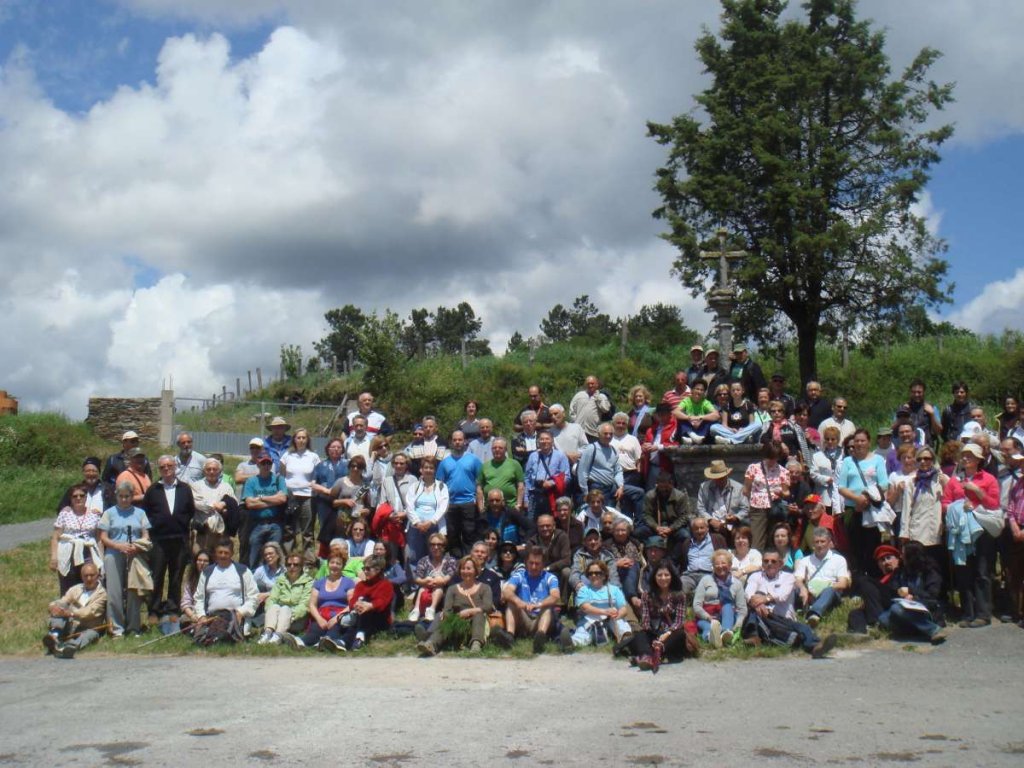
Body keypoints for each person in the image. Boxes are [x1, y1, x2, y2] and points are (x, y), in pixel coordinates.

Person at [945, 442, 1002, 627]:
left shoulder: (989, 479)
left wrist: (977, 493)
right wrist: (957, 508)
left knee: (982, 571)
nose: (965, 458)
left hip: (981, 530)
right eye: (963, 455)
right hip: (961, 532)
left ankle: (983, 614)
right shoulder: (954, 481)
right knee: (963, 571)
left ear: (979, 460)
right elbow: (945, 503)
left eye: (970, 456)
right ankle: (967, 613)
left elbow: (994, 504)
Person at [742, 548, 837, 658]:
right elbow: (748, 593)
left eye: (773, 561)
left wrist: (763, 599)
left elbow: (782, 595)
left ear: (780, 564)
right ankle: (753, 636)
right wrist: (758, 604)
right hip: (764, 616)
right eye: (766, 561)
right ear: (762, 563)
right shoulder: (755, 576)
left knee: (804, 628)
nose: (769, 564)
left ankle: (816, 647)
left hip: (784, 618)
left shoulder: (788, 577)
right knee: (754, 612)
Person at [847, 544, 948, 643]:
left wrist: (912, 594)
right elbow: (893, 592)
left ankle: (933, 630)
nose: (901, 556)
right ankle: (860, 636)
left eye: (903, 554)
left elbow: (933, 597)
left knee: (896, 609)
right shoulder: (901, 573)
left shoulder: (930, 572)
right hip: (903, 611)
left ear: (912, 556)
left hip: (925, 610)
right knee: (881, 617)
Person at [142, 455, 196, 618]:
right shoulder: (153, 490)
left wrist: (181, 523)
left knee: (176, 575)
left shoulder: (184, 488)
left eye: (169, 466)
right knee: (157, 575)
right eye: (162, 467)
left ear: (175, 467)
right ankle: (154, 610)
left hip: (179, 539)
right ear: (159, 469)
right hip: (159, 540)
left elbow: (190, 510)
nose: (166, 469)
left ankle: (173, 608)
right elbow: (146, 513)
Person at [98, 481, 151, 638]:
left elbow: (146, 535)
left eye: (127, 496)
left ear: (132, 496)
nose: (124, 499)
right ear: (116, 496)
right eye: (121, 496)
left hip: (134, 554)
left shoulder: (140, 513)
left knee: (133, 590)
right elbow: (103, 537)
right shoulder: (109, 513)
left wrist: (137, 546)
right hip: (114, 553)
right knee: (114, 591)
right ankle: (116, 627)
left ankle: (133, 626)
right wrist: (117, 546)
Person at [837, 428, 891, 574]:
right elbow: (841, 487)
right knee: (855, 546)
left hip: (872, 508)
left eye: (862, 441)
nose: (859, 444)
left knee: (873, 545)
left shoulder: (878, 460)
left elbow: (884, 484)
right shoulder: (847, 461)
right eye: (857, 441)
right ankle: (858, 577)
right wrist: (857, 499)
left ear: (868, 442)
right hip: (853, 509)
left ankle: (874, 576)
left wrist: (867, 498)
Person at [417, 555, 495, 655]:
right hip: (457, 623)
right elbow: (447, 610)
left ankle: (476, 644)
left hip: (477, 625)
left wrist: (469, 611)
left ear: (476, 570)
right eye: (463, 568)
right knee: (445, 619)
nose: (465, 571)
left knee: (479, 614)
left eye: (469, 568)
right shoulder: (452, 589)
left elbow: (488, 606)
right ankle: (430, 644)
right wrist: (455, 617)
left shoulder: (485, 588)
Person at [192, 539, 259, 645]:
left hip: (235, 616)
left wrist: (241, 612)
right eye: (220, 552)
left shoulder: (243, 571)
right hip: (211, 617)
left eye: (226, 553)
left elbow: (254, 596)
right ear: (215, 553)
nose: (223, 555)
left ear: (232, 553)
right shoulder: (207, 573)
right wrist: (201, 616)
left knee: (221, 633)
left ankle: (219, 637)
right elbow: (199, 598)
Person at [628, 561, 693, 671]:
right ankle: (649, 656)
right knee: (639, 634)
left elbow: (679, 622)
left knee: (680, 634)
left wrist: (666, 634)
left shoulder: (680, 595)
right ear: (654, 577)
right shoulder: (647, 595)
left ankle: (652, 654)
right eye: (659, 575)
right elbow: (645, 622)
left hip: (671, 633)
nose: (663, 578)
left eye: (666, 575)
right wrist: (654, 637)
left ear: (672, 576)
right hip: (654, 632)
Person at [285, 554, 355, 651]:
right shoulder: (319, 582)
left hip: (340, 615)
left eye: (338, 563)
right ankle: (301, 642)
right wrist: (319, 619)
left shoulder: (348, 582)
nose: (334, 565)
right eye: (332, 562)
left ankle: (326, 643)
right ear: (328, 564)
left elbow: (351, 604)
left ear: (342, 567)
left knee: (334, 629)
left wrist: (336, 618)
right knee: (315, 630)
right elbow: (312, 604)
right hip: (322, 614)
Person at [502, 546, 562, 653]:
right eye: (531, 563)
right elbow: (507, 592)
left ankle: (540, 637)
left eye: (537, 564)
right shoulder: (519, 576)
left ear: (543, 564)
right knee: (511, 603)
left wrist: (539, 604)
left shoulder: (550, 577)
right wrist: (519, 602)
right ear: (526, 562)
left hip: (540, 618)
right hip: (524, 617)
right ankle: (509, 636)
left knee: (547, 607)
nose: (534, 567)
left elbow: (555, 596)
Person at [42, 562, 107, 659]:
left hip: (88, 627)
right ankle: (54, 636)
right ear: (82, 577)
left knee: (91, 635)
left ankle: (69, 648)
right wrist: (53, 606)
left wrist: (70, 613)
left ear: (98, 576)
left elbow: (89, 612)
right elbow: (64, 601)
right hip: (71, 624)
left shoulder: (102, 594)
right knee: (60, 609)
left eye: (92, 575)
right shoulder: (76, 589)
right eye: (86, 576)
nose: (89, 578)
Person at [566, 559, 631, 651]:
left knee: (620, 622)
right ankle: (571, 643)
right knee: (583, 633)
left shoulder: (614, 590)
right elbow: (585, 607)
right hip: (591, 622)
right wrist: (605, 612)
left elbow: (623, 609)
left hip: (610, 621)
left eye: (597, 573)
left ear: (604, 575)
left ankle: (626, 639)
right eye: (590, 573)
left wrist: (617, 615)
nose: (593, 575)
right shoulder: (583, 590)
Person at [49, 483, 103, 595]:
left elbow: (99, 539)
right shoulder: (65, 513)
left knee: (90, 582)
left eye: (82, 495)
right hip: (68, 552)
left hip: (88, 552)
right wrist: (54, 557)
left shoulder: (95, 515)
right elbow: (55, 537)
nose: (78, 498)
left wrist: (101, 559)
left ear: (86, 497)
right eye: (75, 496)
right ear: (70, 498)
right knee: (68, 586)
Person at [436, 430, 483, 556]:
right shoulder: (445, 462)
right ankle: (456, 561)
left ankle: (470, 560)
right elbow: (439, 484)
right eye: (455, 440)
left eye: (460, 440)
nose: (457, 442)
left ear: (465, 441)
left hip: (469, 503)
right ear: (451, 442)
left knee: (469, 533)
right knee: (452, 534)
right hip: (451, 504)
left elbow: (480, 481)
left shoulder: (473, 460)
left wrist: (479, 501)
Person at [794, 528, 850, 626]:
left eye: (822, 541)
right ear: (813, 544)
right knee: (793, 588)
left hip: (830, 593)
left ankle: (813, 614)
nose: (819, 545)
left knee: (829, 591)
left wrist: (825, 588)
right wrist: (803, 588)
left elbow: (843, 583)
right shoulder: (805, 560)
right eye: (817, 542)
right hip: (809, 592)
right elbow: (798, 579)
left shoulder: (839, 560)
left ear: (829, 543)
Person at [278, 428, 320, 561]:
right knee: (289, 528)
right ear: (294, 440)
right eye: (298, 437)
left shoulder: (313, 456)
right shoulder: (287, 455)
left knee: (307, 530)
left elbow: (317, 475)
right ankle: (288, 558)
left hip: (308, 496)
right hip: (290, 495)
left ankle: (309, 560)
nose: (301, 440)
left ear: (307, 440)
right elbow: (282, 475)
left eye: (304, 438)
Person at [240, 452, 287, 568]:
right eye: (263, 463)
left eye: (268, 463)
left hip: (275, 523)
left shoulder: (278, 479)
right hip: (257, 524)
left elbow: (282, 499)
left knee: (274, 556)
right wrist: (273, 500)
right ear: (258, 464)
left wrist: (261, 498)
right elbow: (249, 503)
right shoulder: (251, 481)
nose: (266, 466)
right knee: (254, 556)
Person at [743, 440, 791, 551]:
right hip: (757, 508)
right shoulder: (753, 468)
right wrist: (755, 497)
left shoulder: (783, 471)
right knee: (757, 541)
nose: (772, 461)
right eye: (770, 458)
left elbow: (786, 492)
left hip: (775, 508)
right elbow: (746, 490)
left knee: (775, 540)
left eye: (775, 458)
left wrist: (781, 493)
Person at [693, 550, 747, 648]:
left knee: (727, 606)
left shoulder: (737, 584)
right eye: (717, 564)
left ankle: (726, 633)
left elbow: (742, 609)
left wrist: (738, 625)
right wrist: (708, 617)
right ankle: (711, 638)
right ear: (713, 566)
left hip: (728, 617)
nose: (720, 566)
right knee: (708, 627)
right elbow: (696, 605)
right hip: (707, 616)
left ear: (730, 565)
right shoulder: (706, 580)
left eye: (723, 563)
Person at [257, 553, 313, 644]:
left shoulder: (308, 582)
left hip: (296, 619)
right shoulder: (281, 579)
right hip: (277, 616)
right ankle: (267, 633)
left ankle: (278, 635)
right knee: (274, 606)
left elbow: (304, 605)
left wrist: (289, 615)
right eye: (289, 564)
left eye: (296, 565)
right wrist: (273, 612)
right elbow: (272, 598)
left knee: (285, 609)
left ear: (302, 566)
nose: (292, 567)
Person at [343, 555, 395, 650]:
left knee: (365, 603)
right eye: (364, 569)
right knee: (361, 606)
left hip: (379, 618)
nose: (365, 571)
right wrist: (356, 604)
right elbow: (353, 600)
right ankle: (347, 641)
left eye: (368, 569)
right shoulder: (361, 585)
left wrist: (370, 605)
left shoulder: (386, 584)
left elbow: (382, 602)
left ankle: (355, 638)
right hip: (361, 615)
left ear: (378, 569)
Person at [404, 457, 449, 567]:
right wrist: (417, 523)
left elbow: (444, 507)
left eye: (431, 468)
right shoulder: (414, 486)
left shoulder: (442, 487)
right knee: (414, 556)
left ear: (435, 470)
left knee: (434, 556)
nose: (428, 470)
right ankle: (415, 578)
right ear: (421, 470)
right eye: (426, 467)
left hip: (434, 527)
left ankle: (432, 577)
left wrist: (431, 522)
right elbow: (409, 506)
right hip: (416, 527)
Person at [189, 457, 239, 555]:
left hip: (221, 534)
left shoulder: (226, 487)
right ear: (204, 471)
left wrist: (224, 504)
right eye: (209, 469)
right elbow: (197, 503)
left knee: (219, 561)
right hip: (202, 533)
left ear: (220, 471)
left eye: (214, 469)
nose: (211, 472)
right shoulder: (196, 486)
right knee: (200, 560)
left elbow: (234, 504)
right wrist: (216, 506)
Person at [696, 460, 750, 542]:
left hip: (731, 523)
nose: (718, 481)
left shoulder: (738, 488)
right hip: (711, 522)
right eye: (716, 478)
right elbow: (700, 508)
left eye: (721, 478)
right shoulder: (704, 487)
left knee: (745, 526)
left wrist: (735, 517)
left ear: (727, 475)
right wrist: (710, 520)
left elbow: (745, 509)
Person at [408, 533, 457, 623]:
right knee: (422, 588)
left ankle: (431, 609)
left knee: (438, 587)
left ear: (444, 546)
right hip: (426, 588)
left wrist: (440, 581)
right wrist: (424, 581)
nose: (436, 547)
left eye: (439, 544)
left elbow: (449, 576)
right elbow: (417, 578)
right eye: (432, 544)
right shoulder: (423, 560)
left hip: (444, 590)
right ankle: (416, 610)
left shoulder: (451, 560)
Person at [523, 431, 570, 519]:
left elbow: (566, 476)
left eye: (547, 439)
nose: (544, 441)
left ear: (552, 441)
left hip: (552, 495)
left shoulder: (561, 456)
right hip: (535, 495)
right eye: (542, 439)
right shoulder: (533, 456)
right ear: (538, 442)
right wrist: (526, 498)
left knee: (552, 521)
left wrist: (552, 483)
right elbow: (527, 478)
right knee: (531, 522)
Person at [676, 517, 727, 596]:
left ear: (707, 528)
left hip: (708, 575)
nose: (699, 531)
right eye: (696, 529)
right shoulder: (687, 543)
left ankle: (695, 597)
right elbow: (683, 562)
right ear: (692, 531)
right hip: (690, 575)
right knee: (679, 590)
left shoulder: (717, 539)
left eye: (702, 528)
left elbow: (726, 557)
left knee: (702, 592)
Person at [610, 411, 646, 521]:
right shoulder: (608, 438)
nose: (621, 425)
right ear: (613, 424)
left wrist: (638, 474)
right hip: (612, 475)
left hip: (630, 474)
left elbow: (638, 459)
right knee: (613, 502)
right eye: (618, 423)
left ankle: (629, 524)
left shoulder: (633, 439)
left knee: (628, 503)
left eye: (623, 423)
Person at [576, 423, 624, 502]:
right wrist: (585, 492)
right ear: (599, 434)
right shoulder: (591, 449)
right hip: (596, 488)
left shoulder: (614, 450)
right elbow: (582, 471)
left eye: (611, 434)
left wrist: (620, 486)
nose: (608, 436)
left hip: (611, 489)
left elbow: (618, 471)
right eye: (605, 433)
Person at [476, 438, 525, 513]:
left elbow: (521, 486)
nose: (497, 450)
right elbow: (479, 489)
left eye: (500, 448)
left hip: (510, 507)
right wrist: (481, 508)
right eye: (494, 448)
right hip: (490, 508)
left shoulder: (515, 464)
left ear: (505, 450)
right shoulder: (484, 466)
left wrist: (518, 504)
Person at [641, 403, 678, 487]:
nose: (661, 417)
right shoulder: (652, 429)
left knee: (666, 491)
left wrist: (658, 447)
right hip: (652, 467)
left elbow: (677, 444)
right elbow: (645, 442)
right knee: (651, 492)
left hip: (667, 467)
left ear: (669, 414)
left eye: (663, 414)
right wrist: (644, 447)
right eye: (659, 415)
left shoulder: (675, 427)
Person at [673, 380, 719, 445]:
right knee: (680, 419)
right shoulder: (686, 401)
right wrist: (688, 417)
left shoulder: (705, 402)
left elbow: (716, 415)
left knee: (711, 420)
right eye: (697, 389)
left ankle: (694, 439)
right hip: (689, 427)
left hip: (701, 430)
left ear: (704, 392)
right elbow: (675, 412)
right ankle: (692, 435)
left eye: (702, 390)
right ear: (692, 390)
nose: (699, 392)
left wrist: (700, 417)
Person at [569, 375, 613, 442]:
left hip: (593, 432)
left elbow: (606, 409)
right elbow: (572, 410)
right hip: (578, 431)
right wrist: (575, 423)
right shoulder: (579, 395)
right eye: (588, 384)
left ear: (597, 385)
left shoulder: (601, 396)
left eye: (592, 384)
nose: (590, 385)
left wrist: (598, 399)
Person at [899, 379, 942, 445]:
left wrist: (932, 414)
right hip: (907, 447)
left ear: (924, 392)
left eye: (919, 392)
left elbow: (938, 431)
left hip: (926, 447)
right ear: (910, 393)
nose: (916, 395)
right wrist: (902, 414)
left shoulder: (932, 408)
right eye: (914, 392)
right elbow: (893, 430)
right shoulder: (903, 408)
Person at [179, 550, 210, 629]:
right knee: (183, 619)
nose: (202, 563)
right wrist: (192, 616)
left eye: (205, 561)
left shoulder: (214, 580)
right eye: (199, 560)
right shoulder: (191, 580)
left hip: (209, 613)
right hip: (195, 613)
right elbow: (186, 602)